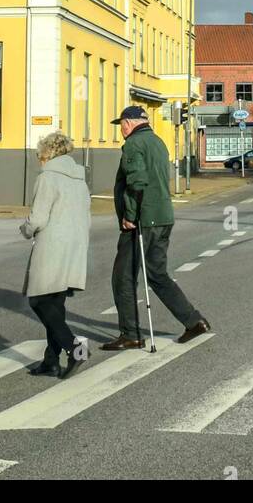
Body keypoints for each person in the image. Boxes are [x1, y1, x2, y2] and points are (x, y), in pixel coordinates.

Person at [102, 106, 210, 350]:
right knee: (158, 275)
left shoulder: (133, 144)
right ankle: (194, 321)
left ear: (128, 123)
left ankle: (131, 334)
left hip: (142, 220)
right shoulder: (158, 142)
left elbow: (137, 182)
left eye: (121, 124)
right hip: (163, 216)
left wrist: (131, 216)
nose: (121, 129)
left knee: (123, 278)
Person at [21, 131, 92, 379]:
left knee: (39, 301)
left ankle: (75, 348)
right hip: (75, 244)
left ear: (47, 153)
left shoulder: (48, 177)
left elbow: (39, 218)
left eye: (40, 155)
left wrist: (26, 228)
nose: (40, 160)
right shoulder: (79, 178)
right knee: (56, 303)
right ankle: (51, 360)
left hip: (53, 245)